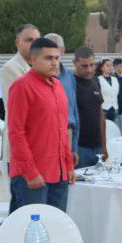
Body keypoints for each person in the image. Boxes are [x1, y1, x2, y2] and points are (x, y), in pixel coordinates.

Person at [7, 37, 76, 212]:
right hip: (32, 176)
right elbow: (16, 133)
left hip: (59, 174)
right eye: (48, 58)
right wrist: (30, 172)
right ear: (33, 60)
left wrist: (68, 166)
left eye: (57, 58)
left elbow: (63, 130)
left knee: (56, 225)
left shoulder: (58, 86)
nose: (54, 62)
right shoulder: (22, 86)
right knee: (31, 227)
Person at [0, 23, 40, 166]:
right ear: (17, 43)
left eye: (37, 40)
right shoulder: (10, 68)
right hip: (21, 148)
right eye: (29, 40)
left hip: (39, 145)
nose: (34, 44)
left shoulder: (39, 67)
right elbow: (26, 107)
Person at [44, 32, 80, 169]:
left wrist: (74, 146)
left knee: (66, 178)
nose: (51, 53)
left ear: (62, 50)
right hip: (46, 137)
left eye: (55, 48)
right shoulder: (38, 78)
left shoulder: (70, 76)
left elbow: (74, 110)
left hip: (67, 135)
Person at [72, 46, 107, 168]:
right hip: (79, 148)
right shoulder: (70, 83)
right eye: (84, 66)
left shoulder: (95, 81)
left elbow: (101, 115)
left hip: (98, 148)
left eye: (92, 65)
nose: (89, 70)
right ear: (75, 63)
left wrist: (104, 146)